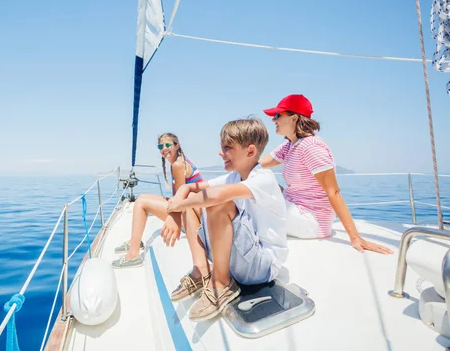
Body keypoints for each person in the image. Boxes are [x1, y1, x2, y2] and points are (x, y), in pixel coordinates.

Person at [164, 118, 288, 322]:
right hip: (241, 257)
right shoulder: (233, 177)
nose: (221, 153)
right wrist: (177, 204)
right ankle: (202, 272)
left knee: (218, 201)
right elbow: (190, 188)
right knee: (195, 202)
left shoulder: (264, 178)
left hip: (261, 266)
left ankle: (221, 284)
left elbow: (217, 196)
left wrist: (176, 207)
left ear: (250, 151)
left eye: (227, 148)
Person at [259, 94, 393, 254]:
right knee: (262, 179)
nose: (273, 120)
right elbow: (257, 166)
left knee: (257, 190)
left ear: (294, 118)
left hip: (311, 222)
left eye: (277, 115)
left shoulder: (311, 147)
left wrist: (355, 237)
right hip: (295, 209)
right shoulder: (289, 146)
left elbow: (333, 192)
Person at [112, 132, 203, 268]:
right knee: (142, 198)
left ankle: (133, 255)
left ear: (177, 145)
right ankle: (134, 241)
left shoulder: (178, 165)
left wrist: (174, 218)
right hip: (194, 211)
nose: (164, 149)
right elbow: (178, 195)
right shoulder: (179, 162)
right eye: (161, 146)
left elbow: (180, 200)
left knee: (142, 203)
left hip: (194, 217)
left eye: (168, 145)